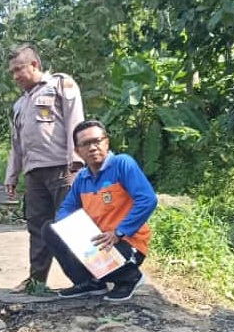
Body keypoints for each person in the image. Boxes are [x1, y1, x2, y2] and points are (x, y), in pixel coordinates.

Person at [42, 119, 158, 302]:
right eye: (86, 144)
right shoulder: (82, 178)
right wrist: (70, 231)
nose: (93, 147)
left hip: (126, 241)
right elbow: (66, 209)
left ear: (107, 142)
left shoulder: (122, 164)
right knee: (51, 228)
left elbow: (147, 200)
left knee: (102, 251)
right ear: (77, 151)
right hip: (97, 242)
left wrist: (119, 232)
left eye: (97, 141)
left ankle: (130, 278)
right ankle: (88, 282)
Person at [4, 44, 84, 293]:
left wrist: (77, 159)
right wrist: (12, 174)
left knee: (73, 226)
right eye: (12, 73)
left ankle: (92, 279)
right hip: (34, 174)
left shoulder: (60, 86)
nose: (15, 76)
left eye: (19, 69)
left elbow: (75, 121)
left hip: (62, 169)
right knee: (37, 227)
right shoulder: (19, 105)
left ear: (35, 65)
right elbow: (16, 143)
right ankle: (36, 281)